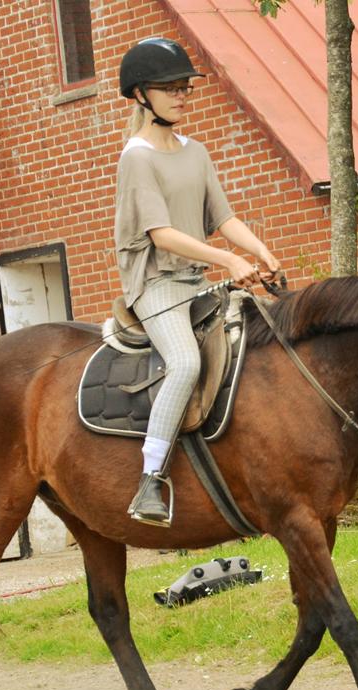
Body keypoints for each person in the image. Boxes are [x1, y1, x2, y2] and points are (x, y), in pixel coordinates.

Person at [115, 36, 280, 526]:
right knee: (186, 363)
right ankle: (150, 480)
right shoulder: (137, 157)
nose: (182, 96)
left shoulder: (196, 151)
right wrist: (228, 262)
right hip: (157, 285)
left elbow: (224, 217)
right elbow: (162, 234)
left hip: (196, 280)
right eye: (170, 89)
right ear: (141, 95)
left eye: (185, 88)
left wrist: (259, 251)